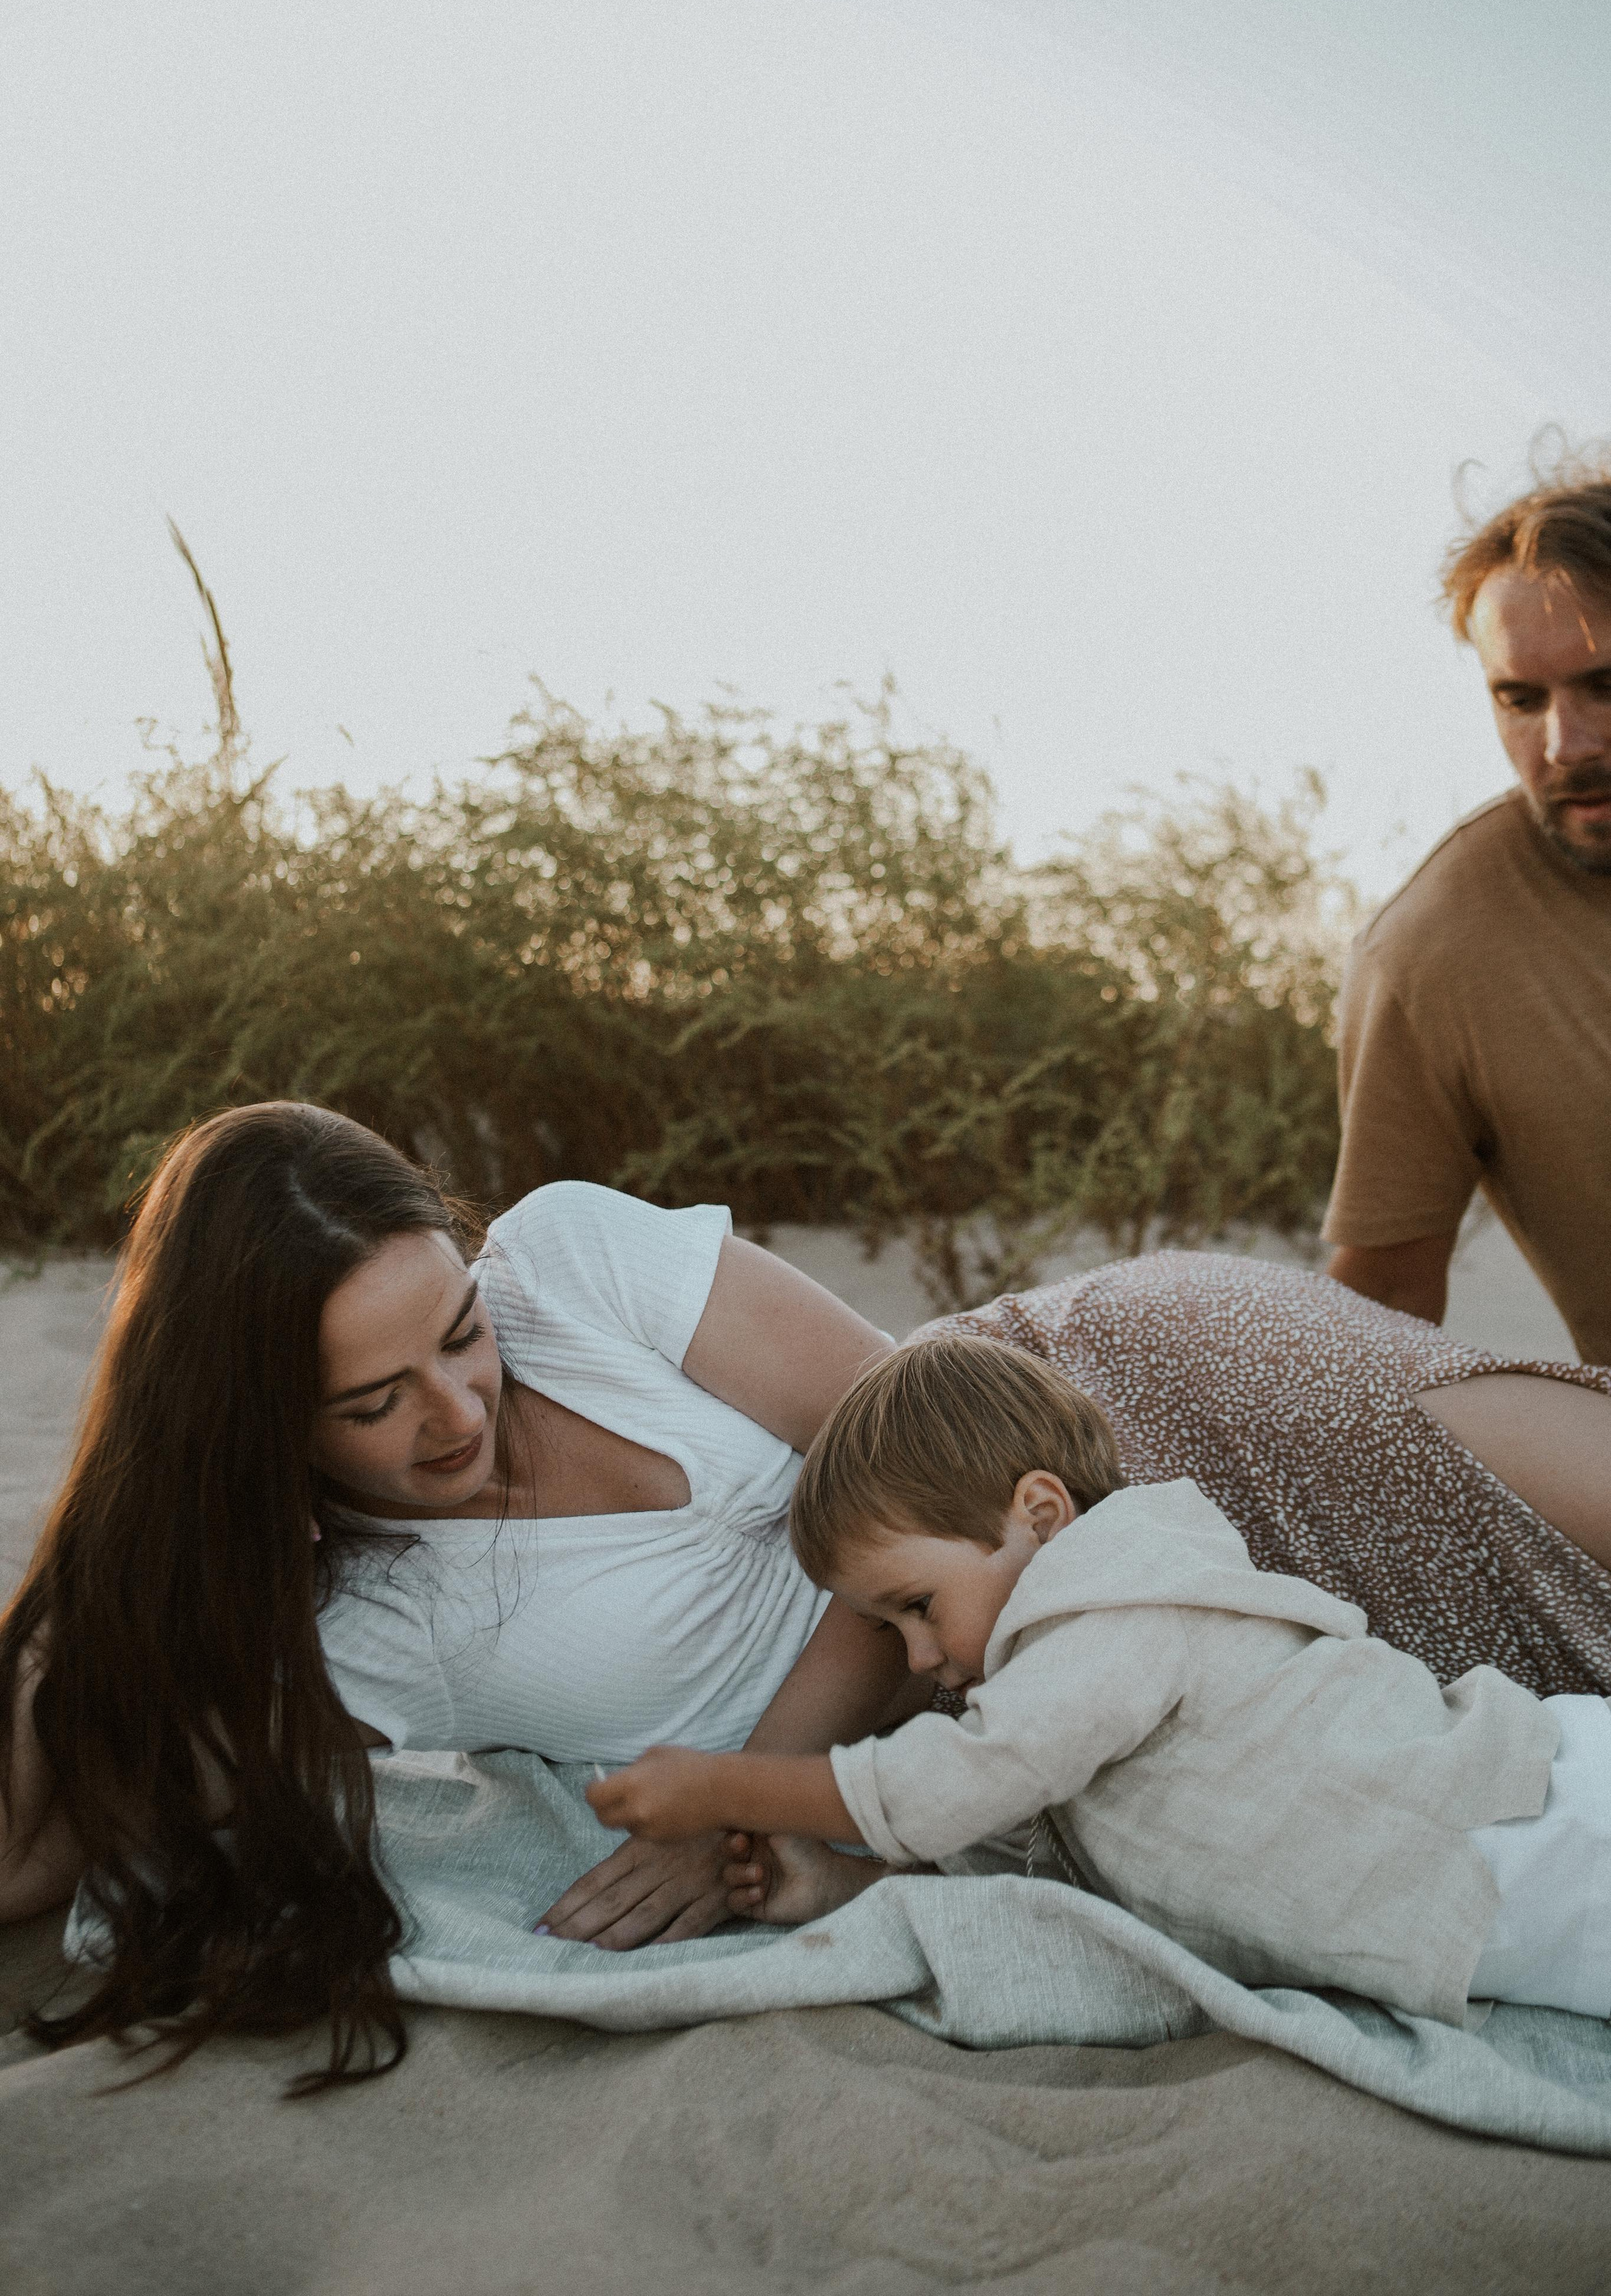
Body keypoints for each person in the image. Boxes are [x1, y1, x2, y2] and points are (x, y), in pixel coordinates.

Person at [3, 1105, 1610, 2086]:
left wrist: (747, 1799)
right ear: (249, 1426)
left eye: (458, 1330)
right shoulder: (364, 1631)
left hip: (1111, 1422)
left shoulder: (568, 1258)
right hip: (1083, 1704)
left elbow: (907, 1448)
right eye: (371, 1404)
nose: (455, 1410)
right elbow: (60, 1807)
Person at [593, 1338, 1611, 2025]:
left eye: (915, 1604)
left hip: (1518, 1828)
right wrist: (841, 1886)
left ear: (1041, 1514)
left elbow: (960, 1781)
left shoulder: (1119, 1607)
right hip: (1484, 1882)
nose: (916, 1660)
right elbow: (1041, 1886)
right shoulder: (1057, 1695)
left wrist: (726, 1786)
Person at [1324, 458, 1611, 1364]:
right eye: (1520, 699)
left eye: (1606, 685)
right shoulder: (1433, 953)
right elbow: (1382, 1308)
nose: (1567, 744)